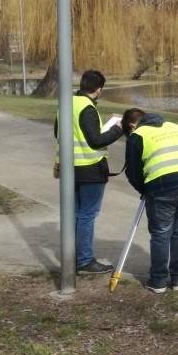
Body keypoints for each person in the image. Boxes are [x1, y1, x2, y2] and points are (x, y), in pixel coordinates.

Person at [122, 107, 178, 294]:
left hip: (162, 187)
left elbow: (132, 173)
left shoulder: (137, 135)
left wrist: (144, 190)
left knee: (161, 233)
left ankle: (157, 281)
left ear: (132, 125)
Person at [54, 70, 123, 275]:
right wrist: (117, 129)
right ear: (99, 90)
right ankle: (85, 261)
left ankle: (74, 257)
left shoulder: (66, 104)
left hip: (70, 168)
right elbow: (96, 140)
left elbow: (59, 134)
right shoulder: (87, 108)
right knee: (87, 214)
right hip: (90, 168)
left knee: (75, 213)